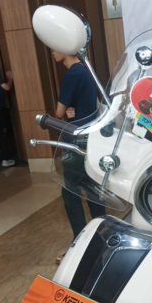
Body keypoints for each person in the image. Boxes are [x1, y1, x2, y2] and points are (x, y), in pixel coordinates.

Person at [52, 50, 105, 237]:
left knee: (70, 193)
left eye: (54, 47)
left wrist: (67, 110)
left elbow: (59, 112)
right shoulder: (85, 70)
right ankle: (102, 233)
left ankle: (80, 238)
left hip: (77, 139)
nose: (52, 52)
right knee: (92, 189)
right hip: (90, 137)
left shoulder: (73, 74)